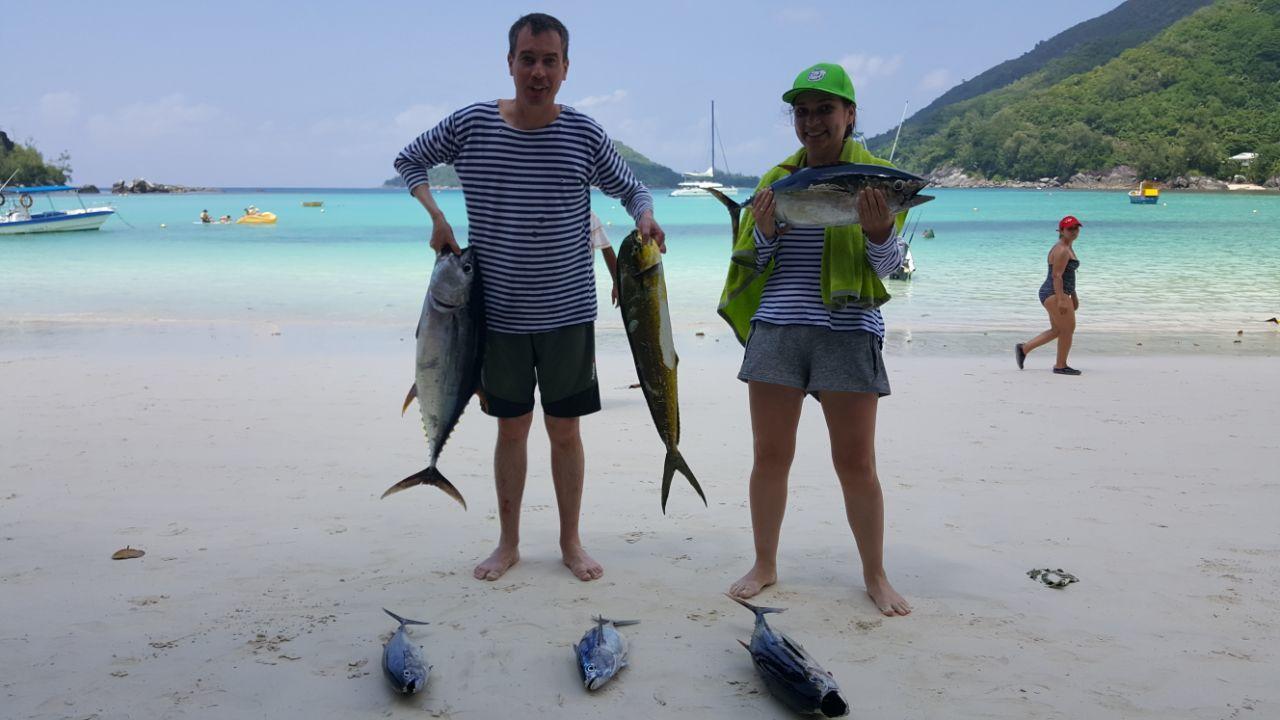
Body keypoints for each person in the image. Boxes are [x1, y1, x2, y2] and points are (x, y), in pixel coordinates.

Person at [393, 13, 664, 583]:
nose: (537, 72)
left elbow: (631, 187)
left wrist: (644, 217)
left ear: (566, 69)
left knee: (565, 431)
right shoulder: (471, 124)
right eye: (527, 59)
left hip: (568, 314)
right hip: (495, 316)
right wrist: (437, 216)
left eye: (549, 61)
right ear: (510, 63)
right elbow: (409, 159)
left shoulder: (584, 134)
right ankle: (508, 543)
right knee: (510, 428)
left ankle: (570, 542)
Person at [718, 63, 912, 616]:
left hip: (848, 331)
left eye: (824, 110)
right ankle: (764, 563)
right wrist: (764, 230)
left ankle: (875, 575)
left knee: (856, 464)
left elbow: (890, 266)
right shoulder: (774, 183)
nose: (812, 122)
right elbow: (750, 264)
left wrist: (879, 231)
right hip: (777, 328)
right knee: (769, 457)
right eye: (802, 112)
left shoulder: (875, 181)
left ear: (849, 116)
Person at [1015, 216, 1083, 375]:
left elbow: (1068, 275)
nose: (1074, 232)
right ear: (1061, 231)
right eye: (1070, 229)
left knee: (1057, 330)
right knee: (1067, 330)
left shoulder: (1067, 247)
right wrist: (1060, 299)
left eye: (1076, 228)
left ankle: (1024, 349)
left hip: (1057, 292)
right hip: (1054, 292)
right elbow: (1057, 276)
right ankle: (1060, 365)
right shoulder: (1062, 250)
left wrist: (1074, 295)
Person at [589, 211, 619, 306]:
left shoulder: (587, 215)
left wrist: (617, 283)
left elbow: (606, 248)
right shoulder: (588, 215)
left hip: (582, 301)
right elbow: (607, 249)